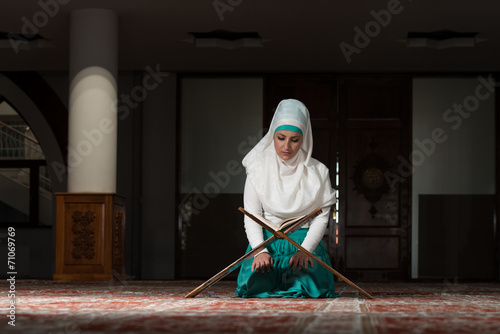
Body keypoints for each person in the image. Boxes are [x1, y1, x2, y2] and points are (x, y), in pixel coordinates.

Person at [235, 98, 338, 298]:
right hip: (266, 241)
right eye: (281, 138)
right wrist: (260, 251)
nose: (286, 146)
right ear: (272, 135)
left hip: (304, 240)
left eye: (294, 139)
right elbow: (252, 215)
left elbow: (321, 217)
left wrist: (306, 250)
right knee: (255, 286)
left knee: (307, 287)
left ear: (304, 139)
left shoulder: (319, 172)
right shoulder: (257, 169)